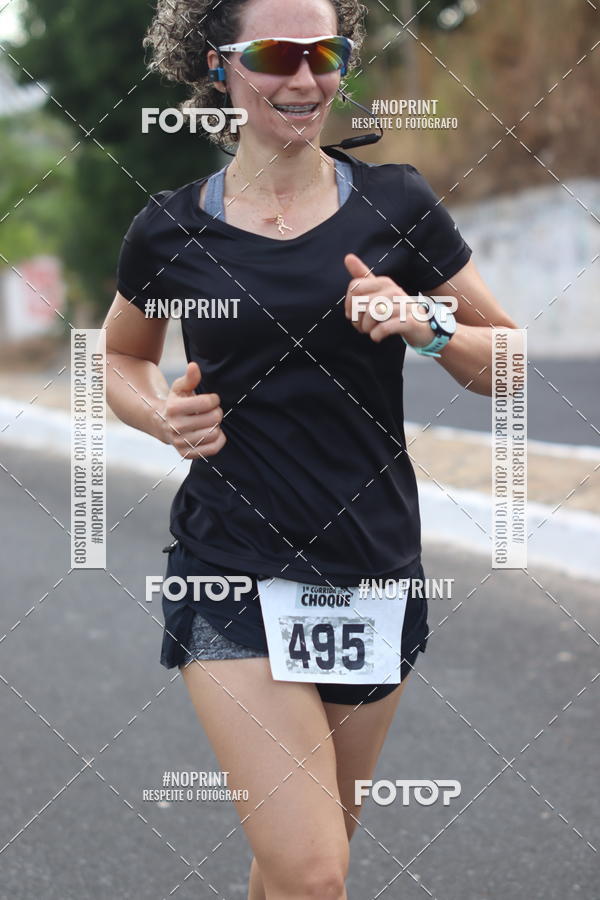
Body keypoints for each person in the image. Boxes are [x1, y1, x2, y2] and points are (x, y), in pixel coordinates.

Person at [103, 0, 519, 896]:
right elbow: (119, 357)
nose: (303, 77)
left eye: (324, 52)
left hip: (370, 565)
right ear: (218, 66)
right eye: (275, 54)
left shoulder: (397, 204)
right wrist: (161, 416)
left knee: (297, 862)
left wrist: (428, 324)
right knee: (315, 870)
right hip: (231, 564)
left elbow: (510, 363)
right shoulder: (170, 229)